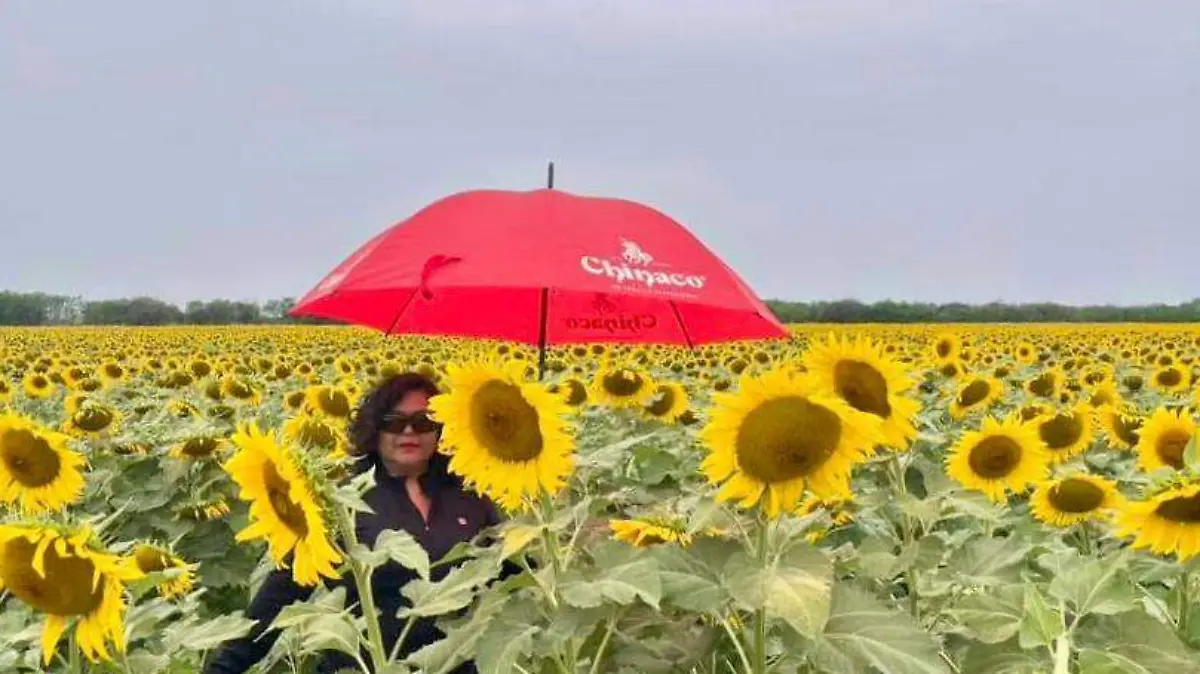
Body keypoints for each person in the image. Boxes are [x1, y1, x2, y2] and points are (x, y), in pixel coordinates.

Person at [204, 372, 502, 674]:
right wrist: (223, 668)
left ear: (440, 429)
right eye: (394, 422)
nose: (409, 431)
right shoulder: (343, 504)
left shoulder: (471, 497)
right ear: (375, 428)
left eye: (423, 422)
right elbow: (278, 597)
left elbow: (506, 573)